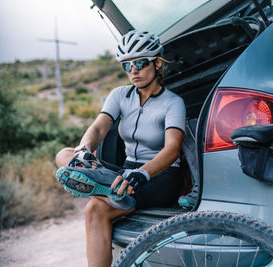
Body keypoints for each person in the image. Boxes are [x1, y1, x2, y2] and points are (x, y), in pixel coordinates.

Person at [55, 30, 186, 267]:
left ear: (157, 63)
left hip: (158, 176)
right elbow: (98, 127)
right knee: (65, 155)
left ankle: (110, 191)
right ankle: (112, 190)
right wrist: (84, 149)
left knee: (94, 209)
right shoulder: (119, 95)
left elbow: (172, 149)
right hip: (124, 173)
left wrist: (142, 173)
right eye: (127, 65)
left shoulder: (173, 103)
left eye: (139, 63)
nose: (133, 71)